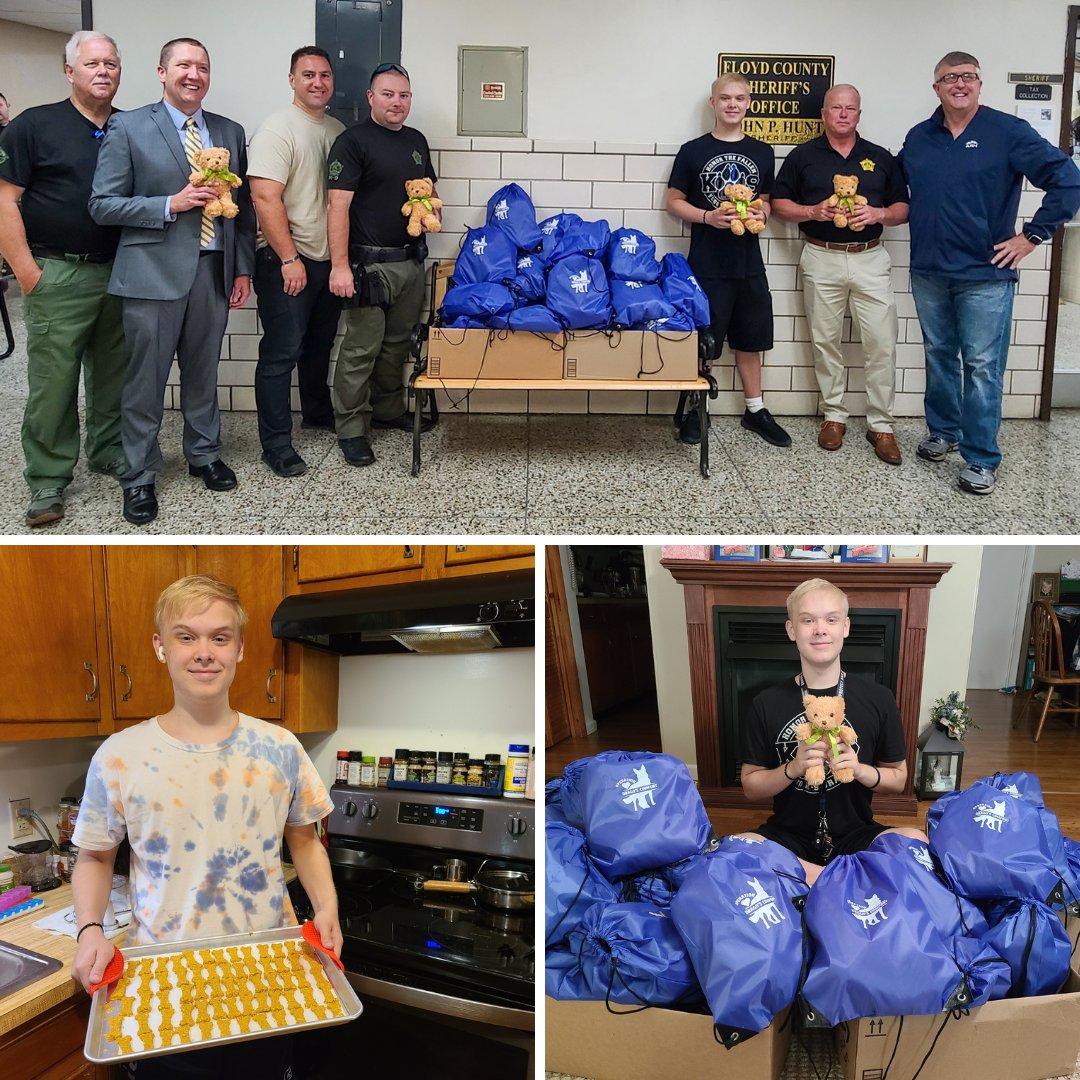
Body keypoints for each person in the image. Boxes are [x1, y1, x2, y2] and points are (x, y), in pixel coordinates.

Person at [70, 574, 340, 1079]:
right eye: (186, 636)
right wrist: (90, 932)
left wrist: (328, 908)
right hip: (164, 984)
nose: (204, 652)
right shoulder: (120, 756)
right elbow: (95, 856)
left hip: (268, 982)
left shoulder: (280, 748)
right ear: (160, 647)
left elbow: (304, 841)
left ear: (239, 650)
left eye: (220, 637)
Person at [90, 37, 256, 525]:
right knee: (145, 381)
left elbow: (241, 212)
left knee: (204, 373)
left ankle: (204, 454)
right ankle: (139, 474)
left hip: (213, 270)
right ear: (162, 72)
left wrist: (241, 266)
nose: (194, 74)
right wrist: (170, 204)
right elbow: (102, 204)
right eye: (183, 65)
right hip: (150, 275)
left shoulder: (229, 130)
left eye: (202, 67)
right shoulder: (128, 125)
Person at [900, 51, 1080, 495]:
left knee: (981, 366)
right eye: (949, 78)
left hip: (985, 274)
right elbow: (893, 185)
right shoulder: (920, 137)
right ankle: (943, 432)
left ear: (979, 84)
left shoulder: (1007, 131)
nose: (959, 84)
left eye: (968, 77)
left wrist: (1033, 236)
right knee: (940, 356)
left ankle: (980, 458)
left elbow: (1069, 179)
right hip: (928, 271)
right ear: (936, 87)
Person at [0, 31, 126, 527]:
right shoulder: (34, 126)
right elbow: (4, 199)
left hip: (120, 273)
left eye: (112, 64)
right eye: (92, 63)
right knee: (53, 382)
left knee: (113, 373)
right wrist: (28, 272)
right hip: (58, 273)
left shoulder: (130, 126)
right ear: (69, 70)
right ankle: (48, 479)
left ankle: (108, 450)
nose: (103, 71)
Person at [736, 577, 924, 885]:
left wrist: (859, 769)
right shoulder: (765, 703)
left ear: (845, 628)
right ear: (792, 630)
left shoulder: (879, 698)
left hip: (857, 835)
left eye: (831, 619)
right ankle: (842, 882)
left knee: (917, 841)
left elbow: (899, 778)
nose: (820, 629)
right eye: (807, 620)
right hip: (787, 838)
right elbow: (751, 787)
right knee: (735, 850)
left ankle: (813, 883)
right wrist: (793, 768)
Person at [772, 84, 909, 465]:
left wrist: (880, 214)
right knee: (825, 341)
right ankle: (833, 415)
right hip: (821, 255)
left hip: (870, 258)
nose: (843, 114)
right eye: (836, 108)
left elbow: (902, 207)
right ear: (824, 114)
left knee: (881, 343)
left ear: (859, 115)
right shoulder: (803, 156)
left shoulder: (879, 157)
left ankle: (881, 424)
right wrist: (812, 212)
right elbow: (779, 204)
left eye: (851, 109)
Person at [665, 72, 791, 449]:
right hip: (707, 262)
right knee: (705, 341)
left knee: (751, 338)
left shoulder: (763, 151)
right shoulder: (692, 151)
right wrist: (708, 217)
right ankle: (694, 407)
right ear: (713, 103)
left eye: (739, 98)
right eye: (725, 98)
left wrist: (761, 215)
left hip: (749, 262)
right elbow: (672, 201)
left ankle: (755, 409)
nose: (732, 104)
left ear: (749, 103)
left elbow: (765, 199)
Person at [327, 62, 437, 467]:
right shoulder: (351, 142)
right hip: (367, 267)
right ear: (370, 97)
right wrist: (339, 267)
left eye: (404, 95)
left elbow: (426, 193)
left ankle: (389, 411)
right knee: (361, 349)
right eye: (388, 94)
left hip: (410, 263)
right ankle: (352, 428)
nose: (397, 102)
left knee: (396, 346)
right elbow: (337, 206)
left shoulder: (416, 140)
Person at [248, 46, 345, 478]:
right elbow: (263, 196)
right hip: (287, 260)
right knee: (280, 353)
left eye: (324, 75)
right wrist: (289, 258)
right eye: (308, 75)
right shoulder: (277, 129)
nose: (317, 82)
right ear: (292, 80)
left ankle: (317, 412)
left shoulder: (337, 130)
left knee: (318, 345)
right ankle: (276, 445)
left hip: (326, 260)